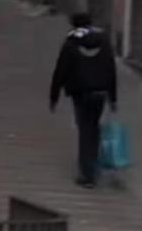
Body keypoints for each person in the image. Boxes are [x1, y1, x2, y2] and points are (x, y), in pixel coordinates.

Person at [48, 11, 118, 189]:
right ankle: (93, 167)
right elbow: (111, 69)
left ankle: (87, 175)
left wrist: (54, 96)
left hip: (80, 93)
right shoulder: (104, 40)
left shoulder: (71, 43)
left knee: (85, 130)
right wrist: (113, 98)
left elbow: (60, 70)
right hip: (100, 92)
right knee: (94, 128)